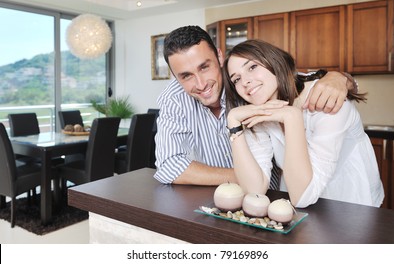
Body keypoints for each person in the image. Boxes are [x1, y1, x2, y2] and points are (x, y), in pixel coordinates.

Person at [153, 25, 356, 186]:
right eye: (186, 76)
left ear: (219, 56)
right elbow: (169, 166)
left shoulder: (250, 84)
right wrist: (248, 177)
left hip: (274, 197)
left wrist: (339, 78)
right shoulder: (174, 98)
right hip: (218, 198)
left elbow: (292, 77)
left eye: (205, 67)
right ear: (175, 76)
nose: (200, 84)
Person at [223, 39, 384, 207]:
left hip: (351, 202)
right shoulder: (260, 112)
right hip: (305, 205)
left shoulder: (326, 100)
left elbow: (302, 197)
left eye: (252, 67)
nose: (245, 82)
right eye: (236, 79)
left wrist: (292, 117)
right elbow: (253, 189)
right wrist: (233, 121)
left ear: (274, 61)